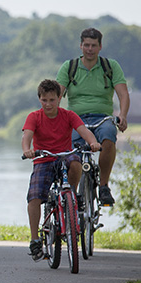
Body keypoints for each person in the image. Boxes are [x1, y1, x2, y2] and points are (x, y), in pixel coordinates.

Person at [22, 79, 100, 261]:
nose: (48, 104)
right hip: (43, 159)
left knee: (76, 162)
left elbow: (84, 131)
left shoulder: (68, 115)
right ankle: (35, 240)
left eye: (52, 100)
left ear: (59, 98)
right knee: (34, 196)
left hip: (65, 156)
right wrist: (27, 150)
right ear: (39, 100)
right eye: (44, 100)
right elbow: (27, 136)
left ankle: (71, 195)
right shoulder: (34, 117)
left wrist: (93, 142)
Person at [56, 27, 130, 206]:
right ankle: (72, 197)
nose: (90, 49)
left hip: (102, 117)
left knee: (108, 138)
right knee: (73, 153)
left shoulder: (110, 66)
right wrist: (55, 118)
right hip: (76, 119)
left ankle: (104, 185)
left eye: (94, 45)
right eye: (86, 45)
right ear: (80, 46)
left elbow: (123, 94)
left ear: (100, 47)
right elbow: (57, 94)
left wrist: (123, 115)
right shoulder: (70, 67)